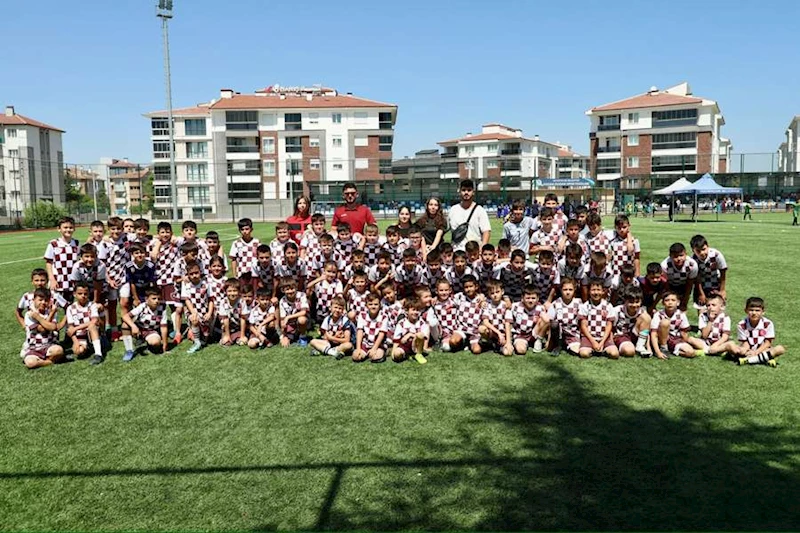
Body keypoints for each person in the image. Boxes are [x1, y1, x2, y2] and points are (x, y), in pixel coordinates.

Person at [723, 297, 785, 367]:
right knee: (734, 347)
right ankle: (765, 358)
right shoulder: (742, 324)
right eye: (751, 310)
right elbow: (745, 342)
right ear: (746, 310)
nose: (754, 313)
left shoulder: (768, 323)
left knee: (780, 349)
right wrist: (748, 351)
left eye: (757, 310)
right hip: (748, 350)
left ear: (763, 312)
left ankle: (748, 360)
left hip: (763, 349)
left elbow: (768, 343)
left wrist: (756, 352)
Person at [448, 179, 491, 251]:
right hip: (457, 252)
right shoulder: (453, 210)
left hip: (474, 252)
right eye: (463, 190)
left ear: (473, 192)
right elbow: (444, 228)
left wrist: (482, 249)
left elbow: (486, 231)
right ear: (459, 191)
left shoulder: (480, 210)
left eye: (469, 190)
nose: (466, 192)